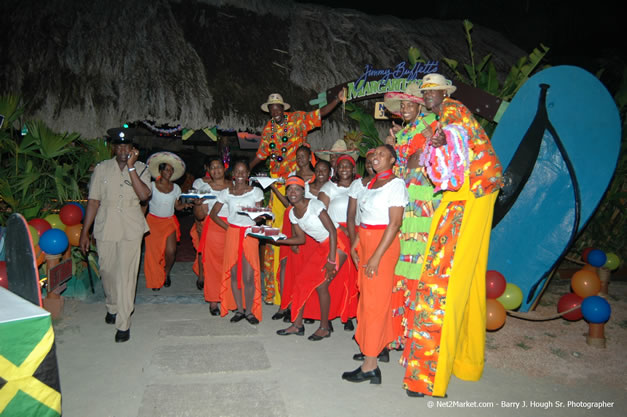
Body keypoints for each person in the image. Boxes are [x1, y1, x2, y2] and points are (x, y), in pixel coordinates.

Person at [401, 73, 504, 398]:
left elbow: (456, 135)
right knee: (470, 280)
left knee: (440, 282)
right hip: (477, 193)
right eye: (426, 91)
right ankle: (467, 364)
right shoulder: (446, 115)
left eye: (435, 90)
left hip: (466, 197)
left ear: (445, 92)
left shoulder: (451, 110)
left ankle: (428, 379)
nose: (430, 95)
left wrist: (446, 140)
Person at [251, 91, 345, 308]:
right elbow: (261, 154)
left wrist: (337, 101)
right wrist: (248, 167)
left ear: (283, 108)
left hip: (297, 187)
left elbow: (320, 113)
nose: (275, 111)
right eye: (271, 108)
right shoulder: (268, 129)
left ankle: (302, 294)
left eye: (278, 107)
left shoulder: (297, 119)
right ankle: (275, 294)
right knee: (276, 240)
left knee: (301, 242)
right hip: (277, 187)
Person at [342, 145, 408, 385]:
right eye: (374, 153)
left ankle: (370, 365)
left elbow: (394, 224)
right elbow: (365, 218)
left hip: (383, 245)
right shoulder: (369, 184)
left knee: (375, 304)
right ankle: (374, 347)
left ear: (392, 159)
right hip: (366, 241)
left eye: (382, 153)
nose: (376, 156)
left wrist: (376, 257)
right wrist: (355, 244)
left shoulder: (396, 184)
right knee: (366, 300)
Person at [79, 127, 151, 343]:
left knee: (126, 276)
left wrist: (131, 169)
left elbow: (144, 196)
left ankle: (123, 322)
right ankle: (112, 304)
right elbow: (93, 201)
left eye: (126, 146)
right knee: (107, 271)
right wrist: (85, 232)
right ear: (113, 147)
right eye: (118, 146)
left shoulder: (141, 168)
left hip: (131, 227)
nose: (122, 150)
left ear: (132, 149)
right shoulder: (101, 169)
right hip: (106, 225)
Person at [382, 83, 440, 350]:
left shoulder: (432, 124)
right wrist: (392, 145)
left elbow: (441, 158)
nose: (404, 109)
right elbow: (398, 170)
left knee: (416, 262)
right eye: (401, 105)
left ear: (420, 105)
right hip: (405, 198)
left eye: (408, 104)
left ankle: (414, 331)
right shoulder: (403, 133)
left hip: (423, 200)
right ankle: (398, 329)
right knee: (401, 260)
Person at [273, 176, 349, 340]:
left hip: (338, 243)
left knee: (321, 286)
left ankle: (324, 327)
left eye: (297, 189)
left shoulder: (315, 205)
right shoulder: (292, 213)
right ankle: (297, 325)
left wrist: (331, 260)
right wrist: (278, 239)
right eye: (289, 189)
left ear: (303, 191)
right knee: (300, 280)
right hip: (323, 245)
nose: (293, 192)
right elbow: (301, 239)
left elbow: (333, 231)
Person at [209, 159, 265, 324]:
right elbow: (214, 214)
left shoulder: (256, 192)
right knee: (233, 274)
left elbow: (259, 216)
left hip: (249, 234)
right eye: (237, 172)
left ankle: (249, 311)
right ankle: (239, 310)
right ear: (232, 175)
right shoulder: (226, 193)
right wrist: (228, 228)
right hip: (233, 233)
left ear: (248, 174)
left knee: (248, 276)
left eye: (243, 172)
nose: (240, 175)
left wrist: (262, 217)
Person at [268, 145, 315, 321]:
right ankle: (284, 305)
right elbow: (288, 202)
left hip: (306, 224)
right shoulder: (291, 177)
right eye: (298, 156)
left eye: (304, 156)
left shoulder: (317, 177)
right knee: (285, 264)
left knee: (304, 267)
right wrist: (273, 187)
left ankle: (304, 306)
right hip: (291, 219)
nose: (300, 159)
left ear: (310, 157)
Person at [318, 154, 359, 331]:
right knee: (334, 276)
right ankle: (331, 314)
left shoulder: (360, 186)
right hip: (336, 234)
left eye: (347, 166)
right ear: (336, 169)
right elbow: (319, 211)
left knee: (353, 277)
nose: (344, 169)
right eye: (341, 166)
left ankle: (349, 313)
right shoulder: (329, 187)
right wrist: (338, 229)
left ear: (353, 169)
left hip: (356, 233)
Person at [144, 152, 189, 291]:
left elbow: (177, 206)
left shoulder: (176, 188)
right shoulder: (151, 185)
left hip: (169, 222)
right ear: (160, 170)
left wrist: (186, 206)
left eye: (171, 170)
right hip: (153, 222)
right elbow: (144, 204)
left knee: (171, 251)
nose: (169, 172)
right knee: (153, 254)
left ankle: (166, 272)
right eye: (166, 169)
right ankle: (155, 279)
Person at [191, 156, 230, 315]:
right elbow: (200, 215)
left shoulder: (233, 186)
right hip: (213, 228)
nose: (216, 170)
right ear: (209, 170)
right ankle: (213, 301)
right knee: (213, 267)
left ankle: (229, 298)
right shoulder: (204, 188)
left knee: (230, 265)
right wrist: (198, 205)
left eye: (218, 167)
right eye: (212, 167)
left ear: (224, 168)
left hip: (232, 227)